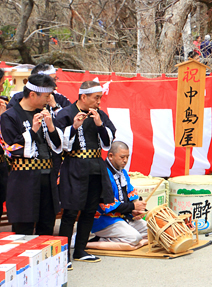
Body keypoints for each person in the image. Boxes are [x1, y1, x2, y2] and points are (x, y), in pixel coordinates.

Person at [55, 80, 116, 266]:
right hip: (74, 165)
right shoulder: (65, 114)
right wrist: (73, 127)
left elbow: (109, 139)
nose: (99, 101)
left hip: (95, 166)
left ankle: (80, 250)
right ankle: (63, 256)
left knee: (90, 210)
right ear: (83, 96)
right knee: (71, 211)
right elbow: (59, 145)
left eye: (100, 97)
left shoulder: (101, 115)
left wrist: (99, 125)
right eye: (96, 98)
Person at [0, 74, 63, 236]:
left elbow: (57, 146)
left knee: (47, 225)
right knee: (24, 228)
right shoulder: (10, 116)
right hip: (23, 180)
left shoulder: (44, 112)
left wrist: (50, 126)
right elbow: (11, 148)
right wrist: (33, 130)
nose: (49, 99)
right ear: (33, 94)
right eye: (46, 96)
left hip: (46, 178)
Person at [92, 141, 148, 247]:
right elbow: (108, 205)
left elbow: (131, 194)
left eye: (127, 157)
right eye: (122, 157)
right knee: (135, 238)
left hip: (123, 217)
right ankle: (96, 241)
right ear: (111, 156)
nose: (125, 160)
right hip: (104, 220)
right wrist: (132, 207)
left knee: (151, 231)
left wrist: (136, 209)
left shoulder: (123, 172)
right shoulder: (102, 174)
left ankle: (119, 237)